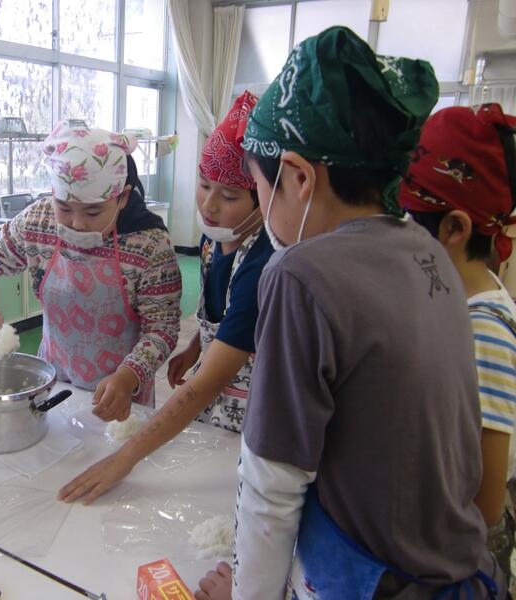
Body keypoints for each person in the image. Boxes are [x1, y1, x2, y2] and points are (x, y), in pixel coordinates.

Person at [196, 26, 506, 600]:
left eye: (257, 188)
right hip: (457, 573)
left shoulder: (299, 275)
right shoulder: (426, 253)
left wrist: (246, 593)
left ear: (298, 177)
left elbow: (271, 485)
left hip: (375, 583)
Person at [58, 92, 275, 505]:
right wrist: (195, 347)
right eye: (203, 185)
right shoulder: (214, 241)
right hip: (215, 400)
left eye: (230, 196)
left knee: (226, 494)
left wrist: (126, 457)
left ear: (262, 198)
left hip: (252, 410)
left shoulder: (262, 263)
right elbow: (219, 312)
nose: (209, 206)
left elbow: (207, 384)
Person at [0, 123, 181, 421]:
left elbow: (162, 328)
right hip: (52, 384)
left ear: (123, 197)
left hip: (120, 395)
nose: (77, 223)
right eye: (64, 207)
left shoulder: (149, 244)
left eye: (93, 212)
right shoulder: (39, 221)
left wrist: (129, 376)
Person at [399, 103, 516, 586]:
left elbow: (485, 503)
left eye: (406, 224)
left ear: (454, 228)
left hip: (457, 556)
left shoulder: (484, 332)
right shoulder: (451, 301)